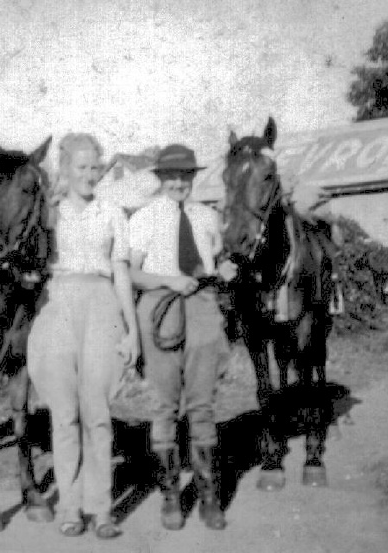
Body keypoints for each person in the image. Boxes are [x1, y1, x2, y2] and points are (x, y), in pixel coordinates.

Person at [26, 133, 139, 540]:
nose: (90, 174)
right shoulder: (49, 213)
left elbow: (122, 273)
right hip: (57, 305)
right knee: (65, 412)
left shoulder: (113, 212)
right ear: (66, 169)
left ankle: (103, 509)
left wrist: (132, 330)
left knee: (97, 412)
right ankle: (70, 508)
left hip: (102, 304)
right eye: (82, 167)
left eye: (96, 167)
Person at [128, 144, 237, 531]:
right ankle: (171, 497)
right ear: (160, 179)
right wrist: (169, 280)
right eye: (171, 176)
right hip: (160, 308)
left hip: (203, 305)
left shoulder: (207, 216)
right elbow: (133, 274)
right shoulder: (143, 218)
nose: (179, 182)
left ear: (193, 177)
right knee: (164, 404)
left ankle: (209, 497)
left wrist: (224, 268)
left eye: (186, 175)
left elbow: (219, 258)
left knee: (203, 403)